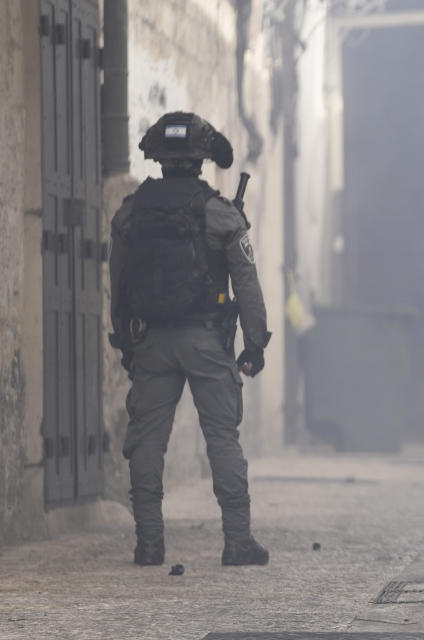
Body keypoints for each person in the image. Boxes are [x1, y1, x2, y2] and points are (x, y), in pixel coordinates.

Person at [109, 112, 272, 567]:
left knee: (146, 442)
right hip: (205, 342)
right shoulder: (220, 214)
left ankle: (149, 543)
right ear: (201, 160)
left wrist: (125, 341)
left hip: (152, 344)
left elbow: (117, 281)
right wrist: (255, 343)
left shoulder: (130, 212)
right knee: (222, 437)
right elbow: (248, 283)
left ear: (158, 158)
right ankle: (237, 541)